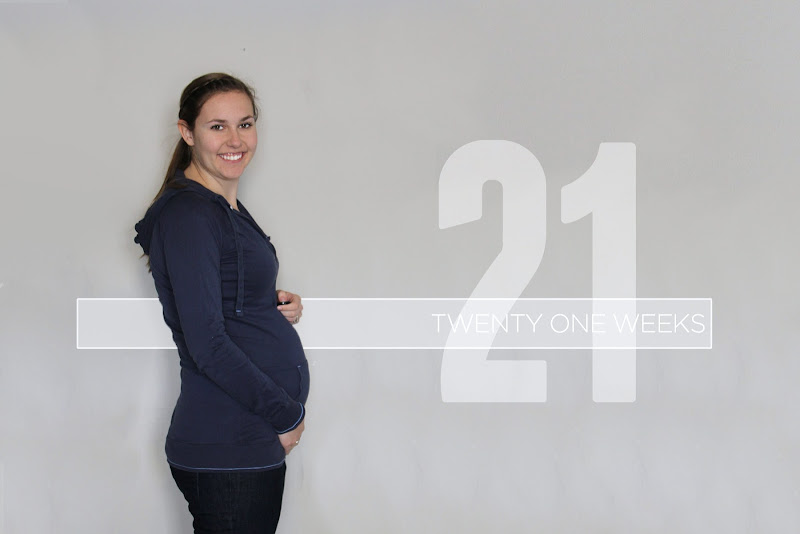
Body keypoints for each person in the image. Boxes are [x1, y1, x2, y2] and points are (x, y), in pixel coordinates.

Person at [133, 72, 309, 533]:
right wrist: (287, 414)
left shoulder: (222, 207)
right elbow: (208, 344)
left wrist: (268, 303)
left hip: (243, 440)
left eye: (245, 124)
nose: (235, 140)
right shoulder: (190, 215)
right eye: (217, 127)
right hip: (229, 442)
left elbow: (220, 293)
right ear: (187, 132)